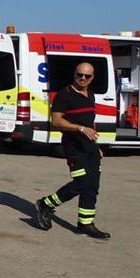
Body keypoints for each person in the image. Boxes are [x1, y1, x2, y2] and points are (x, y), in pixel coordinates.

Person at [36, 62, 110, 239]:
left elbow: (90, 122)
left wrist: (96, 146)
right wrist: (80, 129)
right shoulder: (64, 95)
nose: (82, 78)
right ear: (74, 74)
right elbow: (56, 121)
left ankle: (85, 224)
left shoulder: (90, 95)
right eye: (79, 75)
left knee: (92, 186)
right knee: (81, 183)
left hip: (90, 147)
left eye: (87, 76)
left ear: (92, 78)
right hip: (74, 148)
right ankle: (46, 204)